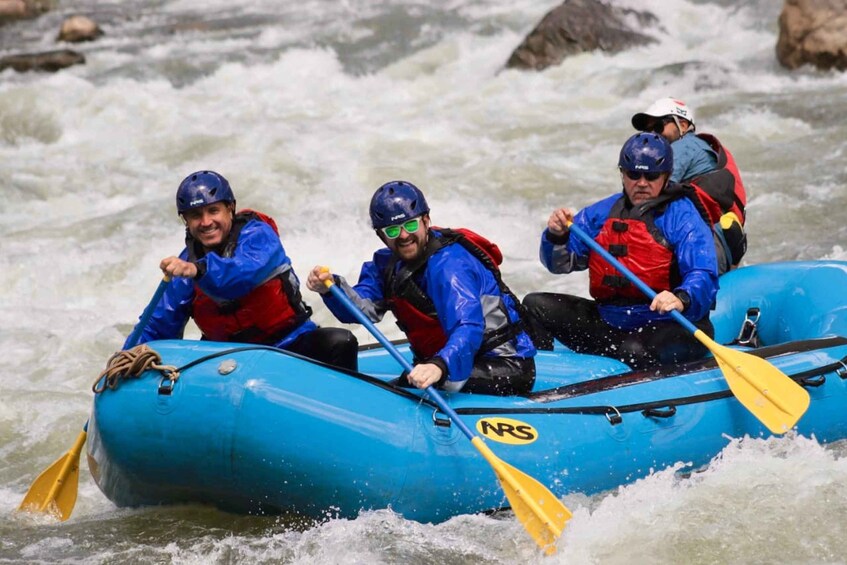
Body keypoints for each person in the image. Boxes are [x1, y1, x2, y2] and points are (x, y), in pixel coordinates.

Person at [305, 180, 537, 396]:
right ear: (381, 235)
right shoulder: (386, 265)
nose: (404, 236)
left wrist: (439, 366)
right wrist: (331, 288)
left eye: (410, 224)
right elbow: (363, 310)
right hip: (438, 362)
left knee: (408, 386)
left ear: (426, 221)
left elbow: (468, 326)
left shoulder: (450, 267)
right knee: (399, 387)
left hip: (503, 364)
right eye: (393, 231)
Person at [124, 170, 359, 371]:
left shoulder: (259, 237)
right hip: (230, 362)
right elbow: (157, 326)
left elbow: (239, 276)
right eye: (196, 216)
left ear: (230, 209)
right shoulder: (186, 267)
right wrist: (124, 360)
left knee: (340, 342)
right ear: (186, 221)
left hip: (290, 344)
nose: (206, 222)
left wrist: (197, 270)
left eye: (213, 211)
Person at [522, 133, 719, 370]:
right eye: (634, 174)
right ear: (623, 174)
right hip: (612, 322)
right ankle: (543, 381)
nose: (642, 182)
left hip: (672, 324)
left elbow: (703, 272)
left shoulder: (682, 217)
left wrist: (681, 297)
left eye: (652, 176)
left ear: (666, 177)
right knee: (534, 305)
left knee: (633, 349)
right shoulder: (602, 213)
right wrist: (556, 235)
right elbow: (559, 264)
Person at [631, 97, 747, 273]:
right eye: (648, 131)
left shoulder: (684, 146)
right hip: (715, 246)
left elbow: (649, 194)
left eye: (658, 127)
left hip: (705, 249)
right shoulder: (694, 146)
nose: (653, 135)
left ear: (683, 125)